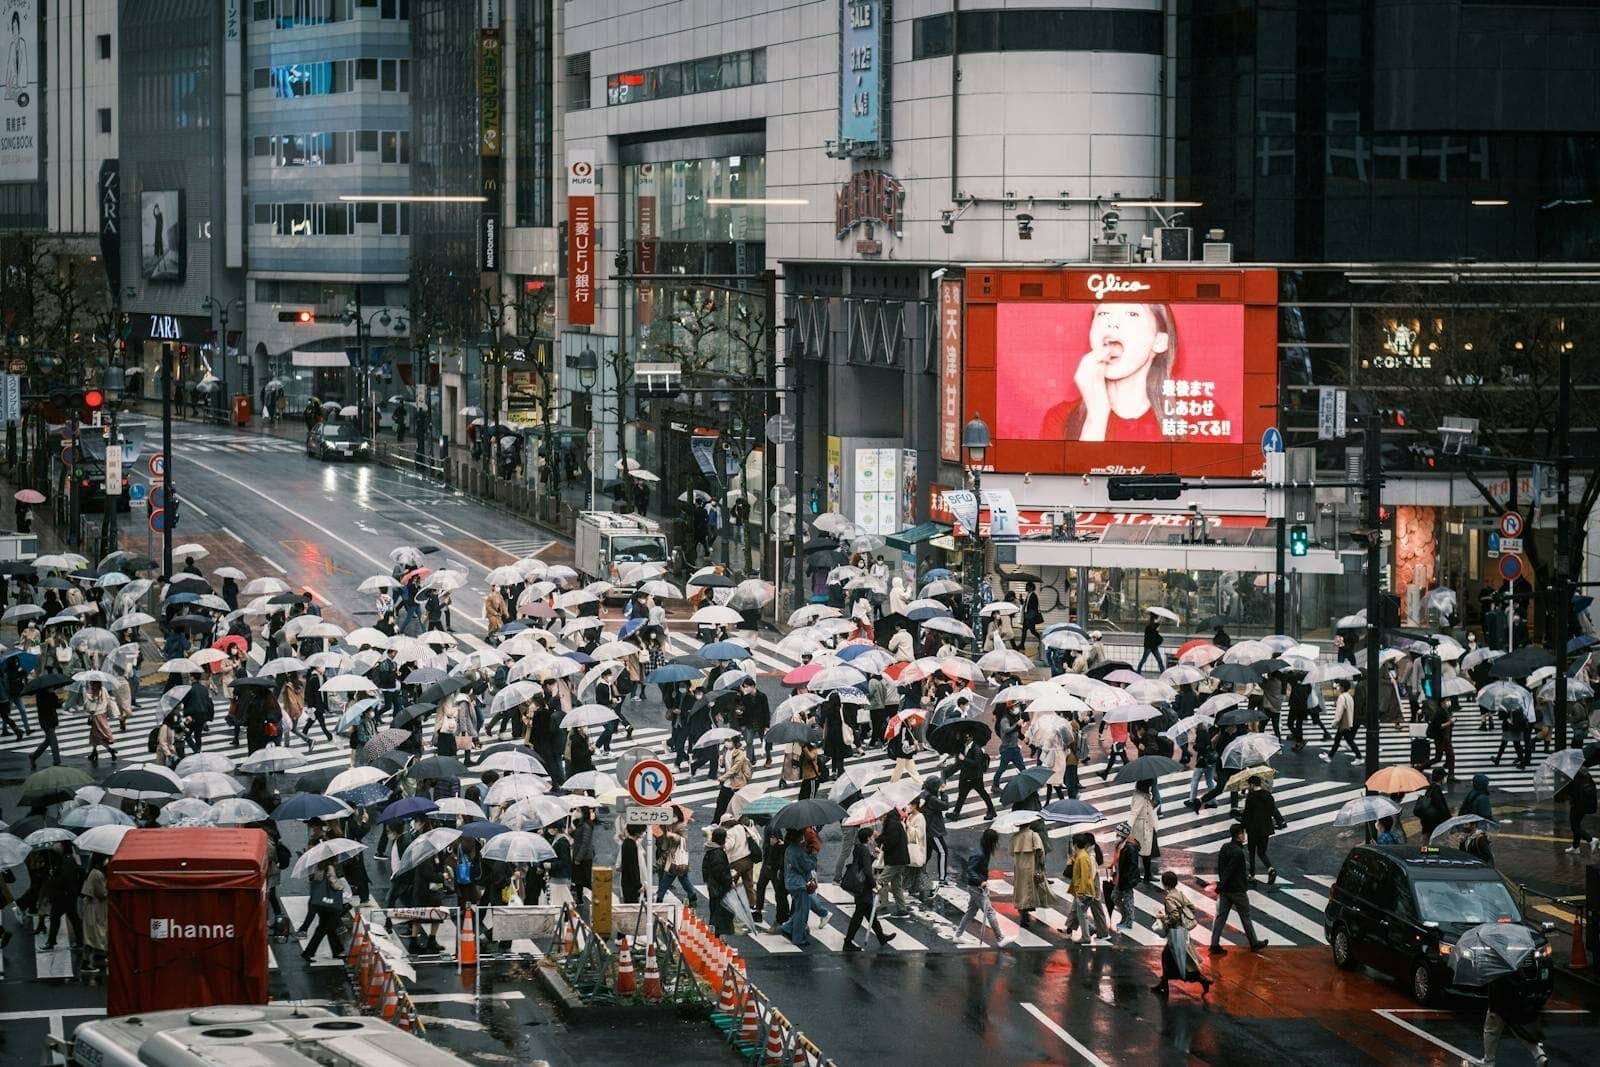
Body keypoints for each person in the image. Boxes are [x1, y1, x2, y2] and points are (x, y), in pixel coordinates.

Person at [1040, 302, 1187, 442]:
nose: (1111, 323)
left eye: (1131, 314)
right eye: (1103, 313)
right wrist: (1096, 417)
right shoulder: (1060, 420)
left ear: (1159, 341)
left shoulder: (1194, 417)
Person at [1209, 823, 1267, 954]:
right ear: (1239, 835)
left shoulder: (1224, 847)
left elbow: (1221, 868)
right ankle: (1254, 943)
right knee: (1246, 916)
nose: (1245, 836)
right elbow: (1230, 871)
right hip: (1237, 891)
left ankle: (1214, 944)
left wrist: (1221, 886)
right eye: (1243, 833)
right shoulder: (1238, 853)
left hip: (1225, 891)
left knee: (1220, 918)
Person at [1152, 870, 1212, 996]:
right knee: (1174, 958)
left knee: (1177, 960)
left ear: (1164, 884)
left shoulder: (1169, 898)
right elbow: (1192, 908)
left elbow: (1174, 917)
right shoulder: (1179, 894)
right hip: (1183, 932)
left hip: (1175, 933)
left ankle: (1200, 980)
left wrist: (1163, 919)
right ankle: (1164, 983)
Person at [1477, 973, 1550, 1066]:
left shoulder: (1495, 967)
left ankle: (1489, 1061)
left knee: (1491, 1031)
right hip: (1515, 999)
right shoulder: (1513, 963)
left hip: (1499, 1002)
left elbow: (1494, 986)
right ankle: (1539, 1054)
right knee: (1520, 1030)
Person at [842, 827, 896, 951]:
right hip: (863, 887)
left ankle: (881, 937)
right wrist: (874, 885)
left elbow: (861, 865)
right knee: (858, 916)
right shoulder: (864, 851)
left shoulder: (858, 848)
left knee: (869, 913)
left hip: (860, 886)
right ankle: (848, 942)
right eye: (872, 836)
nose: (873, 838)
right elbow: (866, 871)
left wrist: (873, 857)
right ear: (868, 838)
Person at [953, 829, 1009, 947]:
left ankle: (957, 935)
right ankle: (1000, 938)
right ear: (991, 842)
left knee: (971, 912)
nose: (996, 844)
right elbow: (970, 869)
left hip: (975, 886)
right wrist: (981, 882)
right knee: (989, 912)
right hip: (976, 887)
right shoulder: (980, 854)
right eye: (995, 842)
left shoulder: (984, 852)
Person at [782, 830, 826, 947]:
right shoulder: (797, 850)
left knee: (799, 909)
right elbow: (807, 866)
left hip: (791, 882)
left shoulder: (789, 849)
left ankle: (788, 927)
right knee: (802, 912)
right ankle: (798, 938)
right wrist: (813, 855)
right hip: (800, 884)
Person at [1240, 780, 1286, 884]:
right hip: (1266, 829)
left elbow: (1247, 814)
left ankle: (1252, 875)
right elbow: (1273, 810)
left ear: (1252, 784)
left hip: (1253, 829)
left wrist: (1242, 827)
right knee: (1261, 852)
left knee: (1251, 852)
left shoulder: (1251, 797)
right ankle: (1271, 869)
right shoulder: (1268, 795)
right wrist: (1280, 822)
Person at [1010, 819, 1055, 924]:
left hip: (1019, 869)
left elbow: (1011, 852)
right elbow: (1041, 852)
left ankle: (1023, 910)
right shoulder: (1034, 835)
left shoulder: (1015, 837)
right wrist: (1041, 864)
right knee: (1033, 890)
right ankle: (1028, 911)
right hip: (1032, 867)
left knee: (1022, 891)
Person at [303, 861, 349, 962]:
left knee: (328, 927)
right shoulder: (329, 868)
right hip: (329, 903)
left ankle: (337, 951)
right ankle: (308, 952)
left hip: (320, 901)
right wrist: (341, 887)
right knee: (323, 928)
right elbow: (333, 883)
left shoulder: (317, 866)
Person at [876, 808, 914, 917]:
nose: (879, 818)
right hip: (899, 858)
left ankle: (884, 907)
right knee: (896, 884)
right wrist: (880, 837)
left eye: (880, 816)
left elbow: (891, 841)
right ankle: (902, 909)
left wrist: (879, 838)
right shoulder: (894, 822)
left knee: (880, 881)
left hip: (895, 859)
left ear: (885, 814)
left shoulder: (892, 824)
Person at [78, 854, 109, 983]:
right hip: (95, 910)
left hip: (94, 909)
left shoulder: (93, 872)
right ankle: (86, 963)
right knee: (92, 936)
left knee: (94, 935)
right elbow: (102, 893)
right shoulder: (97, 874)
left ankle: (99, 956)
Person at [951, 735, 997, 820]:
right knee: (962, 795)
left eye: (967, 736)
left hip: (975, 778)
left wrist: (964, 759)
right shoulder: (964, 746)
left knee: (983, 794)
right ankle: (956, 813)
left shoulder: (976, 749)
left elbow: (977, 763)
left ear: (971, 737)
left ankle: (992, 811)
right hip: (966, 776)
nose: (965, 738)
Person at [702, 827, 735, 936]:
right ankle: (715, 938)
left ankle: (714, 936)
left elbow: (706, 869)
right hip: (719, 888)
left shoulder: (711, 850)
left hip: (713, 886)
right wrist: (730, 881)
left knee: (715, 911)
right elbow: (720, 872)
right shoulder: (718, 853)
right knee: (719, 914)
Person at [713, 736, 751, 823]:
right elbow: (725, 766)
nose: (727, 742)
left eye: (729, 740)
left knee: (738, 806)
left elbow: (735, 769)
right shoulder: (725, 751)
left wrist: (723, 777)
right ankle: (715, 822)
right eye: (726, 740)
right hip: (727, 784)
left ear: (734, 742)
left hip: (737, 784)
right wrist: (721, 761)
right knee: (720, 803)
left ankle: (742, 823)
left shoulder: (740, 753)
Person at [1321, 681, 1360, 761]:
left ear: (1342, 687)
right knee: (1338, 740)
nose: (1337, 687)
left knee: (1347, 741)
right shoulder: (1349, 696)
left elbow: (1339, 712)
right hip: (1347, 721)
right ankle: (1330, 756)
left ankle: (1359, 757)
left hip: (1343, 723)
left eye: (1339, 686)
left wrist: (1335, 722)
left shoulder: (1342, 697)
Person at [1563, 769, 1597, 854]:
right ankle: (1575, 847)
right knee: (1576, 825)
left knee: (1574, 826)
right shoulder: (1585, 773)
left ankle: (1591, 839)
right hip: (1585, 803)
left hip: (1577, 804)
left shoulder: (1573, 774)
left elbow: (1570, 790)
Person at [1020, 582, 1042, 651]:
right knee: (1024, 631)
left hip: (1030, 617)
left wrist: (1030, 617)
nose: (1025, 587)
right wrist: (1021, 600)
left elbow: (1034, 608)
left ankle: (1042, 641)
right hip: (1027, 616)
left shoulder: (1033, 595)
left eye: (1027, 586)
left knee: (1032, 631)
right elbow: (1026, 605)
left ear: (1031, 587)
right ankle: (1022, 645)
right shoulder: (1029, 595)